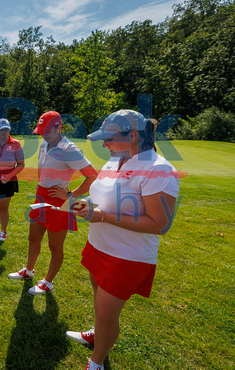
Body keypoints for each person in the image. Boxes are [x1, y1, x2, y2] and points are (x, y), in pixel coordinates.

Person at [66, 110, 180, 370]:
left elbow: (159, 224)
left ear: (134, 136)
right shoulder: (113, 160)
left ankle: (96, 362)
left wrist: (102, 216)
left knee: (107, 315)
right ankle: (96, 336)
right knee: (99, 305)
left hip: (127, 256)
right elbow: (105, 197)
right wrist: (85, 207)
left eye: (109, 138)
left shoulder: (158, 169)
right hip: (99, 246)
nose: (104, 145)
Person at [7, 111, 98, 295]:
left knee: (55, 246)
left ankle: (48, 282)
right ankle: (29, 271)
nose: (44, 135)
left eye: (48, 131)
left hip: (59, 202)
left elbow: (92, 176)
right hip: (41, 197)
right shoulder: (44, 144)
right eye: (42, 131)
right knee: (33, 238)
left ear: (59, 127)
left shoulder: (69, 149)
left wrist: (70, 194)